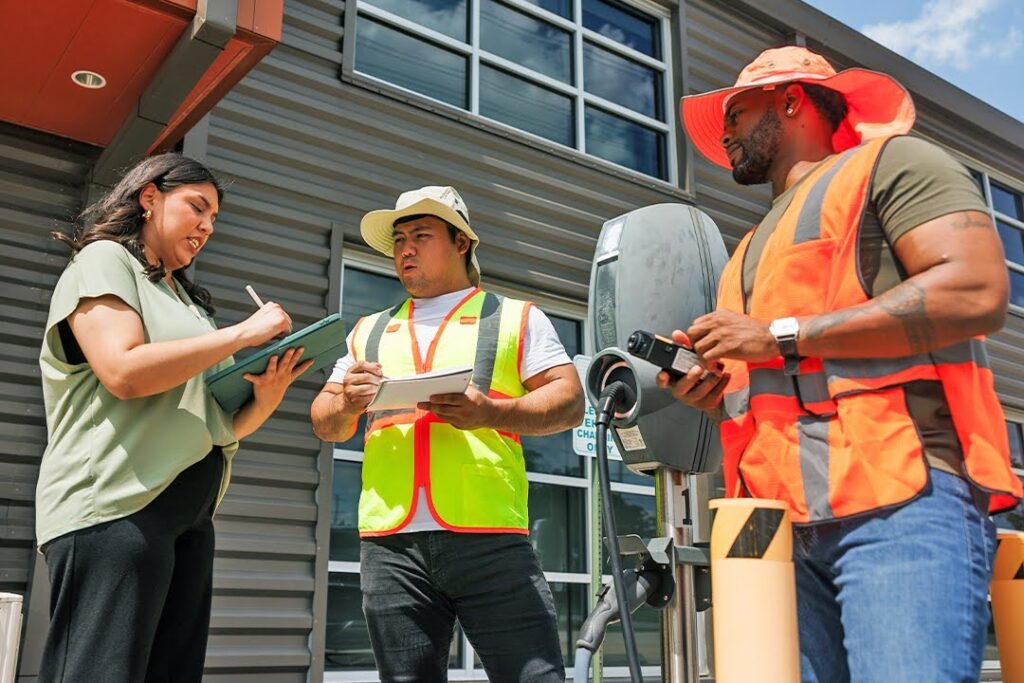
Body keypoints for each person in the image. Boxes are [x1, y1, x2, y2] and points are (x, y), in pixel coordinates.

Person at [668, 46, 1023, 682]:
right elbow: (780, 371)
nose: (723, 133)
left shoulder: (894, 163)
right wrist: (713, 385)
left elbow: (973, 289)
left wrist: (775, 336)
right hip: (775, 531)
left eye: (735, 112)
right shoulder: (747, 249)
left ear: (791, 100)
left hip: (899, 504)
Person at [36, 153, 313, 683]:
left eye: (215, 219)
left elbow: (218, 426)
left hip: (188, 516)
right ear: (150, 197)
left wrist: (270, 392)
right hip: (117, 507)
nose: (207, 227)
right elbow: (123, 372)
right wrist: (242, 335)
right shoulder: (103, 260)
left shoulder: (188, 302)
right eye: (197, 208)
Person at [311, 186, 584, 682]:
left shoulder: (516, 318)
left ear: (462, 243)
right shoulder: (368, 331)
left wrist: (491, 414)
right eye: (398, 240)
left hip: (490, 540)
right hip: (390, 547)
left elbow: (569, 402)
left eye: (421, 235)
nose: (405, 249)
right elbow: (325, 421)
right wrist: (347, 400)